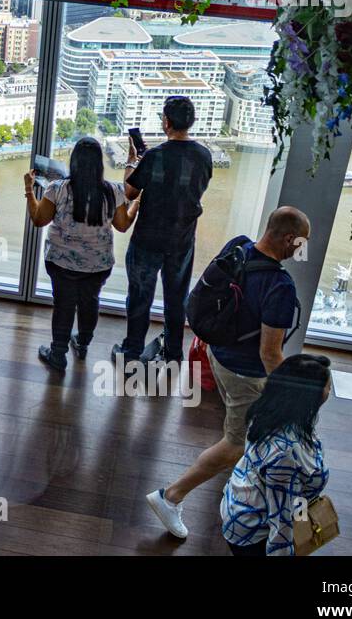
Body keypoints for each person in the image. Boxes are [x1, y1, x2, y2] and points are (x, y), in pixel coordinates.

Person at [146, 207, 309, 539]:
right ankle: (170, 496)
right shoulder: (280, 287)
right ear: (289, 239)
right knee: (235, 443)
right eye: (301, 243)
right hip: (245, 374)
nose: (301, 250)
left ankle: (246, 485)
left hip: (217, 354)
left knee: (248, 430)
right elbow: (269, 352)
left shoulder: (239, 246)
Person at [114, 95, 213, 365]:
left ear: (166, 122)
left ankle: (132, 351)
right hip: (182, 239)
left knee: (139, 297)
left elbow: (130, 192)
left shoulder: (155, 156)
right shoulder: (204, 155)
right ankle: (173, 353)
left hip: (148, 238)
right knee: (176, 298)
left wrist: (133, 162)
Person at [25, 137, 139, 370]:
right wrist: (136, 203)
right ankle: (83, 343)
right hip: (97, 264)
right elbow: (123, 225)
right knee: (90, 302)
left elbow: (39, 219)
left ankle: (58, 353)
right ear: (99, 164)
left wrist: (29, 190)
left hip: (61, 262)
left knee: (63, 304)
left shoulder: (57, 189)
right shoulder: (112, 191)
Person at [220, 354, 332, 556]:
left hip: (239, 505)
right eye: (327, 386)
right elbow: (282, 519)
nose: (329, 390)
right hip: (254, 534)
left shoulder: (266, 412)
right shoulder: (286, 454)